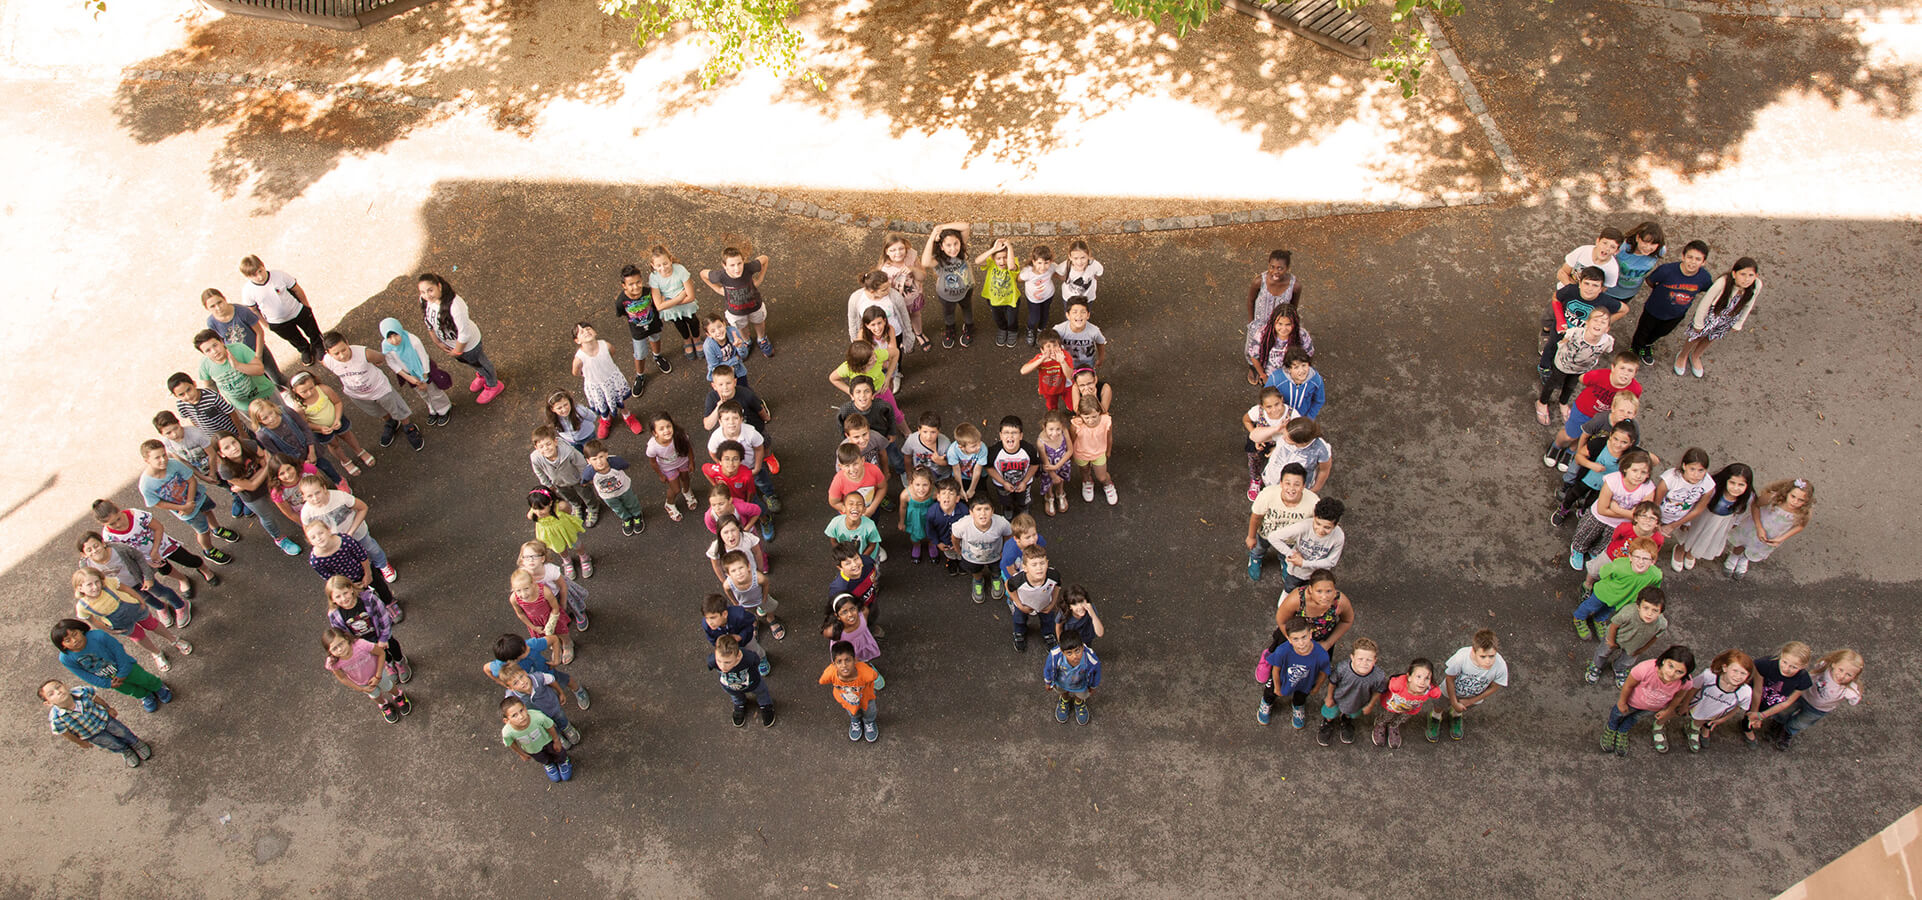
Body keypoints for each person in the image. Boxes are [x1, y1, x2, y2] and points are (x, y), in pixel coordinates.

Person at [137, 440, 239, 567]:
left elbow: (191, 480)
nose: (163, 459)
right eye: (157, 457)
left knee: (208, 512)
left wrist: (190, 502)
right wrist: (184, 507)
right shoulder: (146, 485)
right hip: (185, 511)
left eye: (164, 455)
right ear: (146, 460)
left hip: (197, 497)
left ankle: (217, 529)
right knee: (203, 531)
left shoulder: (173, 464)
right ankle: (209, 550)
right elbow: (158, 503)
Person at [71, 568, 192, 673]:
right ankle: (156, 653)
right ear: (80, 588)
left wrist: (141, 600)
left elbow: (126, 589)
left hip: (135, 609)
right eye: (89, 585)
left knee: (153, 624)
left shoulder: (108, 582)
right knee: (139, 637)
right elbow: (92, 621)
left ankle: (173, 639)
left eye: (97, 581)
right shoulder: (82, 607)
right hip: (120, 623)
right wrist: (108, 630)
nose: (95, 586)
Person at [319, 332, 423, 452]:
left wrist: (373, 362)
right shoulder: (328, 361)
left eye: (344, 350)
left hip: (379, 389)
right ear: (328, 353)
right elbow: (325, 363)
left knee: (397, 408)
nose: (342, 356)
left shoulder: (364, 353)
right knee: (378, 411)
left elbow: (380, 357)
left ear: (347, 343)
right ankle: (391, 422)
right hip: (358, 395)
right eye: (336, 353)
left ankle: (408, 426)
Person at [93, 498, 220, 593]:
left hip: (164, 545)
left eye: (118, 519)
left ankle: (204, 569)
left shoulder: (136, 515)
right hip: (147, 558)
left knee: (189, 560)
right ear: (103, 524)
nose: (118, 525)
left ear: (119, 510)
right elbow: (125, 553)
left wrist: (155, 550)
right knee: (165, 570)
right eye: (112, 524)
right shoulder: (109, 537)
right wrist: (145, 561)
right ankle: (182, 579)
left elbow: (158, 527)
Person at [51, 619, 172, 712]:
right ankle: (145, 695)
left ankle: (158, 686)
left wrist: (123, 672)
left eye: (75, 634)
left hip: (127, 668)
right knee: (130, 690)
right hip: (110, 680)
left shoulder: (99, 636)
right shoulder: (66, 658)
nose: (74, 640)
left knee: (145, 679)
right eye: (68, 640)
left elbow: (119, 651)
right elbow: (84, 675)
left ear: (81, 630)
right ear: (62, 646)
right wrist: (107, 684)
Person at [418, 272, 505, 403]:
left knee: (481, 363)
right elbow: (428, 321)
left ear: (439, 286)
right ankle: (482, 375)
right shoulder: (425, 300)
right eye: (423, 292)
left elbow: (464, 334)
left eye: (430, 290)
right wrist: (437, 341)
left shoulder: (455, 306)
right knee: (473, 364)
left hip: (468, 346)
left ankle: (493, 384)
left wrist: (457, 352)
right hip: (454, 346)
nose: (427, 296)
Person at [1546, 351, 1642, 465]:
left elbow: (1631, 402)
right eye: (1622, 368)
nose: (1625, 373)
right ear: (1613, 367)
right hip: (1584, 410)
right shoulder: (1600, 376)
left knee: (1586, 435)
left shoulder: (1635, 389)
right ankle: (1557, 445)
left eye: (1630, 370)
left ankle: (1571, 450)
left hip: (1604, 418)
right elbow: (1583, 379)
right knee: (1570, 435)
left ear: (1635, 373)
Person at [299, 474, 400, 583]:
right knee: (351, 556)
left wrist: (351, 532)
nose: (315, 498)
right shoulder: (306, 513)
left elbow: (363, 508)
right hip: (335, 542)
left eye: (317, 492)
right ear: (303, 497)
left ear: (324, 488)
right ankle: (363, 572)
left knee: (371, 547)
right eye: (309, 496)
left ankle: (382, 564)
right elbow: (308, 531)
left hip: (356, 532)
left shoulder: (340, 497)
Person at [213, 435, 303, 555]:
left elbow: (265, 464)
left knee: (288, 502)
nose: (234, 448)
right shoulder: (225, 470)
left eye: (234, 442)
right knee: (267, 517)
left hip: (269, 482)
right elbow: (252, 486)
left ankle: (302, 521)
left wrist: (245, 483)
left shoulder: (250, 445)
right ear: (221, 454)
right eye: (227, 447)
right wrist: (261, 471)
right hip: (252, 496)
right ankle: (279, 539)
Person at [77, 533, 189, 628]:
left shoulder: (119, 549)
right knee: (145, 599)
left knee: (161, 592)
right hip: (123, 588)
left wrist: (148, 577)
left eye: (96, 545)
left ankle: (180, 605)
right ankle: (161, 607)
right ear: (84, 554)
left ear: (103, 543)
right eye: (89, 550)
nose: (94, 551)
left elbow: (139, 557)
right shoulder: (86, 566)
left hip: (141, 579)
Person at [1674, 256, 1762, 377]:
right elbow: (1705, 302)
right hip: (1713, 314)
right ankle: (1682, 355)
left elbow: (1749, 304)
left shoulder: (1757, 285)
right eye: (1743, 274)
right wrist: (1698, 323)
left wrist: (1739, 323)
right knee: (1696, 336)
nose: (1747, 279)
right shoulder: (1723, 282)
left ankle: (1695, 356)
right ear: (1734, 274)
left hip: (1730, 316)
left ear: (1756, 276)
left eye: (1751, 275)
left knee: (1711, 337)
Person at [1630, 239, 1714, 366]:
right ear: (1683, 256)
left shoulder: (1704, 278)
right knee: (1643, 331)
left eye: (1698, 259)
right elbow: (1650, 281)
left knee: (1661, 332)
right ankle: (1635, 349)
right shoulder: (1666, 270)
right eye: (1690, 257)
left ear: (1704, 262)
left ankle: (1647, 345)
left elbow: (1706, 289)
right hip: (1653, 310)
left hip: (1676, 314)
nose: (1692, 262)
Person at [1569, 449, 1656, 570]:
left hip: (1619, 525)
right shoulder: (1613, 480)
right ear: (1625, 468)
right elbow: (1602, 510)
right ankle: (1578, 549)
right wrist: (1629, 514)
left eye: (1643, 472)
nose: (1638, 476)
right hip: (1598, 517)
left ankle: (1595, 552)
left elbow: (1641, 516)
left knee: (1607, 541)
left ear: (1648, 474)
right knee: (1586, 534)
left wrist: (1617, 509)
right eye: (1634, 470)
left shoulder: (1648, 488)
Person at [1601, 645, 1695, 756]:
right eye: (1670, 666)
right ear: (1664, 660)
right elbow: (1628, 685)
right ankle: (1611, 728)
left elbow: (1678, 697)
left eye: (1679, 672)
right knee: (1617, 714)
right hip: (1632, 703)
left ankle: (1622, 731)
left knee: (1635, 718)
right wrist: (1622, 702)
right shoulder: (1645, 669)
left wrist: (1668, 710)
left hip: (1652, 708)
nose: (1671, 673)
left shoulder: (1686, 683)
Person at [42, 679, 152, 768]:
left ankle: (135, 742)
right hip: (91, 734)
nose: (58, 692)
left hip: (105, 720)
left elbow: (96, 698)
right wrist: (80, 742)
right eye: (51, 694)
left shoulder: (82, 691)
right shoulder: (56, 719)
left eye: (58, 687)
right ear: (48, 703)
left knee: (122, 732)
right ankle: (125, 750)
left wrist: (108, 708)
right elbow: (65, 733)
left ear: (65, 685)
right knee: (110, 743)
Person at [236, 254, 325, 366]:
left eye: (260, 271)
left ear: (263, 265)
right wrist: (266, 325)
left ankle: (318, 344)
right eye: (254, 275)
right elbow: (253, 310)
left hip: (297, 311)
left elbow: (297, 289)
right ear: (247, 276)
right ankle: (304, 349)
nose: (260, 277)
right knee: (293, 338)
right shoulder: (248, 291)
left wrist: (306, 307)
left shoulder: (279, 275)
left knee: (312, 330)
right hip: (277, 322)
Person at [1771, 649, 1864, 751]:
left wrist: (1855, 696)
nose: (1842, 676)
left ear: (1854, 677)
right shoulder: (1824, 668)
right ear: (1834, 664)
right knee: (1784, 710)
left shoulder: (1850, 689)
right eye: (1841, 670)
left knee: (1800, 722)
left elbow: (1853, 701)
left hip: (1817, 709)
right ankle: (1777, 722)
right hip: (1802, 696)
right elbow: (1814, 670)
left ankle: (1787, 731)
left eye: (1849, 675)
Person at [284, 371, 375, 473]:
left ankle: (360, 451)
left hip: (337, 419)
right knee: (333, 445)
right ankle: (345, 461)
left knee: (348, 436)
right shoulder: (299, 407)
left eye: (311, 388)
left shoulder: (323, 389)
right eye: (304, 391)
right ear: (294, 391)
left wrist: (337, 418)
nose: (310, 393)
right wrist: (320, 428)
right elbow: (305, 424)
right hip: (320, 431)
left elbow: (337, 402)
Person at [1537, 307, 1615, 426]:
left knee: (1571, 385)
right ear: (1587, 323)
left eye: (1603, 322)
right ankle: (1542, 402)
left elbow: (1607, 350)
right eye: (1595, 320)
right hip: (1563, 365)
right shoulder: (1574, 332)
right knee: (1552, 383)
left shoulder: (1608, 341)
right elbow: (1563, 341)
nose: (1598, 324)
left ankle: (1563, 402)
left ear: (1607, 328)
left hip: (1582, 369)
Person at [1572, 536, 1662, 639]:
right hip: (1603, 593)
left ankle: (1599, 619)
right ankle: (1579, 617)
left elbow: (1654, 588)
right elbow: (1603, 572)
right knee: (1590, 606)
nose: (1640, 562)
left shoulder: (1656, 575)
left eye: (1645, 558)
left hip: (1622, 599)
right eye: (1637, 557)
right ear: (1630, 557)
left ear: (1653, 561)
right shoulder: (1619, 565)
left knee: (1607, 610)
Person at [325, 575, 410, 684]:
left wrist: (383, 638)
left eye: (345, 593)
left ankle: (400, 661)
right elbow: (340, 634)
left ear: (351, 588)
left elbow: (384, 617)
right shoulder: (334, 615)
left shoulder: (369, 599)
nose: (343, 599)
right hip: (363, 642)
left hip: (380, 634)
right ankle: (388, 663)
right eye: (338, 596)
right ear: (332, 599)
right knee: (378, 653)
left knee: (392, 645)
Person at [1725, 477, 1813, 580]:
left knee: (1756, 548)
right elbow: (1755, 505)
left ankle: (1744, 559)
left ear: (1807, 501)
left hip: (1771, 536)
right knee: (1743, 542)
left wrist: (1781, 539)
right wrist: (1759, 527)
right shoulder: (1773, 498)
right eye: (1793, 496)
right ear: (1787, 492)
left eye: (1801, 500)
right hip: (1754, 528)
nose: (1795, 502)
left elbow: (1801, 526)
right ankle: (1734, 556)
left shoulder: (1803, 511)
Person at [1432, 629, 1510, 742]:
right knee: (1440, 704)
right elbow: (1450, 678)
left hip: (1473, 697)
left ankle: (1456, 715)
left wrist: (1471, 701)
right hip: (1448, 692)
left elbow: (1495, 686)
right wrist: (1454, 702)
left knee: (1462, 708)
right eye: (1483, 656)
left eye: (1492, 656)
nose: (1488, 661)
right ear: (1473, 651)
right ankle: (1435, 716)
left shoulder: (1500, 666)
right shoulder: (1461, 658)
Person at [1673, 463, 1754, 572]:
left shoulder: (1748, 497)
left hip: (1722, 522)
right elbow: (1695, 504)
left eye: (1741, 485)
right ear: (1726, 480)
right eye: (1732, 482)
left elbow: (1741, 511)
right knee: (1692, 534)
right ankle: (1680, 549)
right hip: (1703, 517)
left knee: (1705, 538)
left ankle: (1691, 553)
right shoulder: (1714, 490)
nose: (1736, 488)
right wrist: (1687, 522)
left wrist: (1736, 523)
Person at [304, 520, 397, 614]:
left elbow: (362, 556)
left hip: (364, 570)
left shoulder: (345, 541)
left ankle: (389, 602)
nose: (318, 538)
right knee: (362, 597)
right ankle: (376, 611)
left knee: (380, 586)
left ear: (328, 530)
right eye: (313, 537)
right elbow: (331, 578)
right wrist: (351, 586)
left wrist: (368, 574)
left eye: (321, 533)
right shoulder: (316, 561)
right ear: (310, 541)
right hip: (347, 583)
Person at [322, 626, 411, 724]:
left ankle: (398, 695)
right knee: (374, 695)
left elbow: (381, 653)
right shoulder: (333, 662)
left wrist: (378, 676)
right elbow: (342, 678)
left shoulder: (360, 645)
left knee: (388, 686)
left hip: (379, 673)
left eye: (341, 644)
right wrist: (361, 689)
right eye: (334, 648)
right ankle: (384, 704)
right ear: (329, 651)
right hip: (363, 683)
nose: (340, 650)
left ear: (346, 638)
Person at [1247, 463, 1319, 581]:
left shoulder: (1313, 502)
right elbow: (1256, 517)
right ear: (1281, 483)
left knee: (1286, 553)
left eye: (1297, 484)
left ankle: (1285, 561)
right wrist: (1251, 537)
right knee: (1259, 548)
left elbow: (1318, 523)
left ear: (1303, 486)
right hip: (1266, 534)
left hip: (1291, 540)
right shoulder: (1267, 494)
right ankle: (1256, 558)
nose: (1291, 488)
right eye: (1287, 483)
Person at [247, 398, 345, 486]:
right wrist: (300, 463)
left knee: (325, 466)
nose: (271, 418)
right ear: (258, 421)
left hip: (309, 447)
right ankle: (323, 488)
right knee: (309, 479)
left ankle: (339, 481)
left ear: (273, 407)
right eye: (265, 418)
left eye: (271, 413)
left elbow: (305, 428)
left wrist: (311, 451)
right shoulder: (263, 435)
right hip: (293, 461)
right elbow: (277, 455)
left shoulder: (286, 411)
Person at [1257, 615, 1332, 730]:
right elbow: (1276, 670)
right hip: (1283, 678)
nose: (1301, 643)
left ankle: (1298, 705)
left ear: (1310, 634)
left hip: (1306, 681)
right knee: (1270, 691)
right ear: (1289, 639)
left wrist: (1317, 687)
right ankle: (1267, 702)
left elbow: (1323, 672)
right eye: (1295, 639)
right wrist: (1277, 687)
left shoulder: (1321, 654)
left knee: (1301, 696)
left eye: (1304, 637)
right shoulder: (1282, 651)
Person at [700, 246, 776, 357]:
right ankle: (746, 341)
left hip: (755, 306)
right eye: (732, 265)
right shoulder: (720, 276)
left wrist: (760, 279)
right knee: (741, 327)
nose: (737, 269)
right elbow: (703, 274)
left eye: (739, 263)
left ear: (743, 261)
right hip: (736, 312)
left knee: (759, 322)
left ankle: (762, 339)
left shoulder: (749, 268)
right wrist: (718, 289)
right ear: (724, 265)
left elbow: (764, 259)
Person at [377, 317, 453, 427]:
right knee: (423, 394)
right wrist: (408, 378)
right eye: (389, 337)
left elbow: (424, 357)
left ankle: (443, 409)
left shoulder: (412, 340)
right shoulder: (386, 346)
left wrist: (423, 378)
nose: (394, 340)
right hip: (409, 375)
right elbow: (391, 363)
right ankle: (432, 408)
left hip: (424, 371)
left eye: (395, 335)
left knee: (433, 391)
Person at [1586, 587, 1669, 687]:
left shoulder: (1661, 624)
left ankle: (1619, 668)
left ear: (1661, 612)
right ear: (1638, 606)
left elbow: (1655, 637)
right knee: (1603, 652)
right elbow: (1614, 625)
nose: (1649, 613)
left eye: (1655, 610)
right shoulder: (1628, 613)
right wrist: (1611, 641)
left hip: (1635, 645)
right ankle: (1596, 665)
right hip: (1616, 637)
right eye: (1646, 608)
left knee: (1628, 660)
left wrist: (1642, 649)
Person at [203, 287, 285, 387]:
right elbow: (220, 342)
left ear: (224, 299)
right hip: (240, 358)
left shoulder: (242, 311)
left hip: (257, 350)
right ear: (207, 308)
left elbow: (259, 332)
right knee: (261, 382)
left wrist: (258, 355)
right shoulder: (211, 323)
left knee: (277, 378)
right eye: (212, 306)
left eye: (219, 302)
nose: (218, 308)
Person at [572, 322, 643, 437]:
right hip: (596, 385)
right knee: (602, 403)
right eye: (581, 332)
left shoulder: (605, 345)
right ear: (577, 340)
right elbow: (575, 372)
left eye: (588, 328)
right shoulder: (579, 358)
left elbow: (612, 352)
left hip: (612, 380)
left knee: (620, 398)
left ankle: (627, 415)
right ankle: (605, 419)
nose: (586, 332)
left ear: (595, 332)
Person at [1652, 449, 1716, 570]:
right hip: (1660, 514)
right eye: (1692, 469)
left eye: (1701, 470)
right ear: (1684, 466)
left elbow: (1698, 510)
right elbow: (1656, 502)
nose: (1696, 475)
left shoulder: (1708, 484)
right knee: (1653, 537)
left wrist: (1674, 525)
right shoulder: (1670, 478)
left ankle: (1680, 550)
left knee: (1686, 537)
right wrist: (1657, 522)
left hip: (1684, 517)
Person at [614, 264, 672, 395]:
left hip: (653, 324)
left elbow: (657, 304)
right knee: (639, 354)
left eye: (638, 282)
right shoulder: (621, 301)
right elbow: (621, 312)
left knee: (656, 338)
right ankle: (640, 375)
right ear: (624, 286)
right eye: (631, 284)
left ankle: (657, 356)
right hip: (638, 331)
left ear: (641, 280)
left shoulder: (649, 292)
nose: (636, 287)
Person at [1682, 648, 1754, 753]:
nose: (1738, 676)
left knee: (1700, 721)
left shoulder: (1746, 692)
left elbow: (1737, 707)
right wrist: (1685, 704)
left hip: (1714, 713)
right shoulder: (1708, 676)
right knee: (1684, 714)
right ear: (1725, 668)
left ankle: (1693, 729)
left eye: (1743, 673)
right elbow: (1694, 688)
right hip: (1697, 705)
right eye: (1735, 671)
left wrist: (1723, 719)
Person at [1245, 250, 1302, 384]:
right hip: (1259, 323)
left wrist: (1289, 325)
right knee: (1252, 349)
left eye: (1280, 268)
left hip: (1279, 326)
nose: (1275, 271)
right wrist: (1251, 322)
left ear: (1287, 268)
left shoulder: (1295, 286)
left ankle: (1268, 371)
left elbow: (1293, 307)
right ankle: (1253, 368)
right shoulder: (1259, 281)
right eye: (1272, 267)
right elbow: (1250, 301)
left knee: (1274, 348)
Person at [1318, 637, 1386, 747]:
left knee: (1351, 714)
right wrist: (1329, 697)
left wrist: (1370, 704)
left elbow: (1379, 690)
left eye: (1369, 660)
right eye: (1360, 659)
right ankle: (1327, 722)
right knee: (1330, 713)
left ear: (1375, 660)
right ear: (1352, 657)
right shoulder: (1342, 668)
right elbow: (1332, 682)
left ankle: (1345, 720)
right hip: (1337, 699)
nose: (1364, 663)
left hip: (1359, 702)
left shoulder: (1379, 676)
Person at [529, 425, 599, 529]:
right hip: (559, 483)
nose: (546, 448)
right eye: (541, 446)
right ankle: (577, 506)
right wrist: (547, 484)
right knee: (569, 496)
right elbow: (539, 472)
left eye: (548, 444)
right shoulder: (535, 458)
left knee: (586, 495)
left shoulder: (569, 452)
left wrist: (585, 478)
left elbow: (581, 464)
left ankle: (593, 508)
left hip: (577, 480)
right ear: (536, 448)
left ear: (555, 442)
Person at [1267, 498, 1345, 591]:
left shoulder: (1338, 537)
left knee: (1311, 592)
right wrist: (1290, 553)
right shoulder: (1303, 526)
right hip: (1296, 571)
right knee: (1289, 589)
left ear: (1336, 525)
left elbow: (1331, 561)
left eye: (1327, 527)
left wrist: (1304, 563)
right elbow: (1273, 537)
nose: (1320, 530)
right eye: (1318, 524)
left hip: (1318, 575)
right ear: (1314, 517)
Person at [193, 329, 277, 412]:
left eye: (215, 345)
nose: (214, 351)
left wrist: (237, 365)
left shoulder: (238, 348)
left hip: (266, 394)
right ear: (204, 354)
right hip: (244, 407)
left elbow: (260, 370)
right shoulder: (204, 365)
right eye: (208, 350)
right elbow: (209, 385)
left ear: (221, 342)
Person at [921, 222, 975, 348]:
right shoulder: (938, 260)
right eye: (948, 245)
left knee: (967, 309)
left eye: (956, 243)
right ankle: (950, 329)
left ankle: (969, 327)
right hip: (946, 296)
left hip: (966, 290)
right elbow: (925, 262)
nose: (953, 248)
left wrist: (941, 228)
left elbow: (966, 226)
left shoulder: (961, 251)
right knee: (948, 313)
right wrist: (933, 234)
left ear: (960, 243)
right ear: (941, 247)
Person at [951, 495, 1012, 604]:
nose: (983, 513)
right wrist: (958, 550)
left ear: (992, 511)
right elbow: (955, 537)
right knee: (975, 570)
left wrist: (1005, 551)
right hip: (971, 558)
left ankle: (996, 578)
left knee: (996, 569)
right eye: (978, 509)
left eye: (986, 509)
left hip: (995, 556)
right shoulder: (962, 525)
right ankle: (978, 580)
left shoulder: (1002, 523)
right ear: (971, 512)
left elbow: (1008, 535)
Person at [648, 245, 704, 360]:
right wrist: (679, 298)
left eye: (665, 263)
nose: (663, 268)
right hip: (675, 307)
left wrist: (668, 302)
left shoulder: (680, 270)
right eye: (658, 265)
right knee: (679, 324)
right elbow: (659, 306)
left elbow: (691, 296)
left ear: (670, 260)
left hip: (684, 305)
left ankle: (696, 338)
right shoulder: (654, 277)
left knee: (693, 321)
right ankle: (687, 340)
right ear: (653, 266)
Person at [499, 696, 573, 782]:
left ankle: (563, 761)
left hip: (548, 741)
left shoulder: (538, 716)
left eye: (521, 710)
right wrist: (521, 754)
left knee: (558, 752)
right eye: (514, 715)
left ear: (525, 707)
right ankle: (549, 764)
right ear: (506, 720)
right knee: (542, 758)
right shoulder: (507, 732)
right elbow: (510, 743)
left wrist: (556, 740)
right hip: (532, 749)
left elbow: (549, 726)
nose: (521, 716)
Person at [878, 235, 932, 352]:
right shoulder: (885, 269)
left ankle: (919, 333)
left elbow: (923, 276)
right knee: (900, 320)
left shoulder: (911, 256)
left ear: (905, 247)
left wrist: (912, 269)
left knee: (916, 315)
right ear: (886, 251)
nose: (898, 253)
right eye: (893, 250)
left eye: (901, 248)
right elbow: (883, 292)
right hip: (898, 302)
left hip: (914, 297)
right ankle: (905, 338)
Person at [709, 634, 776, 727]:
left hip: (753, 683)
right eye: (719, 661)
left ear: (738, 656)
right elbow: (710, 664)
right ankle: (739, 704)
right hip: (730, 687)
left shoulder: (748, 658)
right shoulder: (712, 660)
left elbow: (756, 661)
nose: (722, 666)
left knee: (761, 692)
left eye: (727, 662)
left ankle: (765, 704)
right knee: (736, 696)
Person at [583, 439, 646, 537]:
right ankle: (626, 518)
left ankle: (637, 515)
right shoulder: (589, 472)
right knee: (617, 508)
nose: (599, 461)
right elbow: (585, 481)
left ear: (606, 454)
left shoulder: (616, 462)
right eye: (594, 459)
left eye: (601, 457)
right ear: (588, 461)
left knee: (631, 502)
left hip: (624, 489)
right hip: (608, 496)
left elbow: (625, 465)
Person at [821, 639, 880, 742]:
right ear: (834, 664)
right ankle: (855, 720)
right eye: (839, 661)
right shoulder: (830, 673)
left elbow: (873, 676)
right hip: (847, 700)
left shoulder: (866, 673)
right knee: (852, 711)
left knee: (869, 711)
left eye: (847, 660)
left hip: (866, 699)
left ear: (855, 660)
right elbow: (823, 680)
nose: (844, 665)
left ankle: (869, 722)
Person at [526, 486, 591, 581]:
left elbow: (568, 511)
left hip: (566, 531)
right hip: (552, 535)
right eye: (535, 508)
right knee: (559, 549)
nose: (538, 512)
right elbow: (529, 516)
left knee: (576, 544)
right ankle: (567, 561)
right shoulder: (534, 512)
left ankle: (584, 557)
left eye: (542, 508)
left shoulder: (560, 507)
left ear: (550, 503)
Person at [1374, 658, 1441, 749]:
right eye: (1418, 677)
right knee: (1387, 716)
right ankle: (1380, 724)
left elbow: (1437, 693)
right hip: (1392, 707)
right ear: (1409, 677)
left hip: (1410, 710)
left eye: (1427, 678)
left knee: (1402, 719)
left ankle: (1393, 725)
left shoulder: (1431, 690)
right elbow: (1389, 686)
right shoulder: (1397, 684)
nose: (1422, 682)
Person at [1007, 545, 1062, 654]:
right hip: (1024, 605)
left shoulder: (1053, 575)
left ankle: (1048, 634)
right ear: (1025, 568)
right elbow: (1009, 587)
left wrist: (1053, 603)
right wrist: (1019, 605)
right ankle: (1019, 634)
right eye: (1034, 564)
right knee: (1019, 620)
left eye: (1042, 563)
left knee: (1048, 620)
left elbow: (1058, 585)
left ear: (1047, 563)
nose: (1039, 568)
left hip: (1045, 604)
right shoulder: (1018, 580)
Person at [646, 412, 699, 521]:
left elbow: (688, 448)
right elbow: (653, 462)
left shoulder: (680, 436)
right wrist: (660, 475)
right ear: (655, 433)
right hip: (668, 468)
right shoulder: (652, 447)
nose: (666, 430)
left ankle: (687, 491)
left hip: (682, 461)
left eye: (668, 426)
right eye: (661, 429)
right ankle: (669, 504)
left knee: (686, 479)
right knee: (675, 489)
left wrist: (691, 461)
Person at [1242, 387, 1294, 499]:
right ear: (1262, 406)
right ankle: (1256, 479)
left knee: (1281, 463)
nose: (1274, 410)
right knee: (1254, 457)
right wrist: (1256, 435)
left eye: (1277, 404)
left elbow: (1294, 436)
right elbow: (1246, 420)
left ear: (1282, 399)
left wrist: (1277, 448)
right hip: (1261, 440)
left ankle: (1277, 483)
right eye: (1269, 407)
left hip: (1281, 443)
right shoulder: (1257, 411)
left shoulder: (1292, 415)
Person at [1043, 630, 1102, 726]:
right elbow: (1048, 668)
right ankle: (1064, 700)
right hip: (1061, 682)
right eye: (1069, 653)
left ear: (1082, 647)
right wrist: (1048, 681)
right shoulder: (1055, 655)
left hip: (1081, 684)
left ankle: (1079, 703)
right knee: (1062, 691)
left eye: (1077, 651)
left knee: (1081, 695)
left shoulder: (1090, 658)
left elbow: (1096, 672)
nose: (1075, 656)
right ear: (1062, 652)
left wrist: (1093, 686)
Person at [1260, 417, 1332, 493]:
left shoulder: (1321, 449)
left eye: (1288, 439)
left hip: (1295, 491)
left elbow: (1324, 470)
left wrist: (1314, 490)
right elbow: (1254, 437)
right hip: (1271, 480)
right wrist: (1276, 429)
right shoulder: (1290, 429)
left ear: (1300, 442)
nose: (1283, 437)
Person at [973, 238, 1022, 347]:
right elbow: (977, 261)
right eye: (998, 258)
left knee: (1012, 319)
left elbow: (1011, 267)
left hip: (1011, 300)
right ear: (993, 257)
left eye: (1005, 257)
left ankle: (1013, 330)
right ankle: (1002, 328)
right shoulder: (991, 263)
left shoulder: (1013, 262)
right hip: (994, 299)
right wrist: (993, 249)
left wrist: (1009, 246)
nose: (1002, 261)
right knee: (998, 318)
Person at [986, 415, 1038, 517]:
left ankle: (1023, 507)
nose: (1010, 436)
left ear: (1021, 436)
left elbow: (1034, 465)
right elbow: (989, 467)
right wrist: (1003, 482)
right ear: (1000, 435)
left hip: (1024, 483)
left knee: (1023, 500)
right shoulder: (994, 451)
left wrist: (1024, 481)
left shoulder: (1029, 449)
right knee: (1005, 499)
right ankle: (1008, 507)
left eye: (1014, 433)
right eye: (1006, 433)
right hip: (1002, 485)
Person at [1605, 221, 1664, 310]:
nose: (1648, 247)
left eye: (1653, 244)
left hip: (1629, 293)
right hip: (1609, 291)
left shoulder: (1660, 250)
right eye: (1645, 242)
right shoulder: (1622, 248)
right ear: (1637, 238)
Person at [1247, 304, 1313, 385]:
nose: (1283, 329)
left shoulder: (1302, 335)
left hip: (1294, 380)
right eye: (1280, 324)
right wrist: (1263, 376)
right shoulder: (1262, 334)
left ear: (1294, 324)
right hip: (1271, 378)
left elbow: (1309, 355)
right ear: (1273, 322)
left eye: (1288, 324)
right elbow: (1254, 356)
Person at [847, 270, 910, 352]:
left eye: (889, 286)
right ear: (872, 291)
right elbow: (853, 320)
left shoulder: (895, 296)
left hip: (894, 334)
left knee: (894, 353)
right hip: (870, 337)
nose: (889, 290)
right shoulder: (856, 298)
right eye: (884, 290)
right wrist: (855, 340)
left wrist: (908, 336)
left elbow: (904, 316)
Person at [1069, 401, 1116, 506]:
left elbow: (1109, 437)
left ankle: (1108, 485)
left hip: (1099, 453)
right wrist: (1071, 454)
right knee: (1084, 471)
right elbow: (1072, 440)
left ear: (1099, 412)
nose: (1091, 420)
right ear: (1080, 415)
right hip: (1081, 454)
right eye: (1087, 417)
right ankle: (1087, 482)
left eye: (1094, 416)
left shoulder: (1106, 422)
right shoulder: (1076, 425)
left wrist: (1108, 450)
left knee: (1102, 476)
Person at [1034, 411, 1075, 517]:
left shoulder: (1065, 431)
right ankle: (1049, 496)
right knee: (1049, 482)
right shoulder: (1041, 442)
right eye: (1051, 429)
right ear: (1044, 427)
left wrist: (1057, 466)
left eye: (1058, 429)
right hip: (1049, 468)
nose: (1055, 433)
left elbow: (1070, 450)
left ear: (1062, 426)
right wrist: (1053, 475)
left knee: (1061, 479)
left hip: (1062, 463)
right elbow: (1045, 462)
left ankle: (1060, 492)